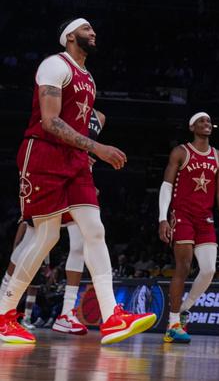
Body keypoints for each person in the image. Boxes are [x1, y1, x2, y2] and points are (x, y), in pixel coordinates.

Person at [0, 18, 155, 344]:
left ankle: (112, 316)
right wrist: (96, 146)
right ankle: (4, 314)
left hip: (75, 161)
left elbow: (81, 124)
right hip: (43, 155)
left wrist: (87, 152)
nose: (94, 33)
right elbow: (50, 121)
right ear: (69, 36)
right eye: (87, 29)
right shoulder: (55, 65)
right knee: (45, 237)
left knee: (94, 230)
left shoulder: (88, 77)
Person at [0, 109, 107, 336]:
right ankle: (4, 305)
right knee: (31, 239)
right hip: (51, 173)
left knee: (80, 243)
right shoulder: (59, 106)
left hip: (78, 178)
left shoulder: (100, 117)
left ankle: (67, 313)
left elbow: (86, 146)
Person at [158, 112, 219, 343]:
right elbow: (166, 185)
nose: (207, 124)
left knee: (209, 269)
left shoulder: (218, 157)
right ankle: (173, 324)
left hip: (205, 218)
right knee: (183, 267)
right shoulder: (181, 152)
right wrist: (162, 218)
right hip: (182, 215)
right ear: (192, 127)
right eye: (202, 121)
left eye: (209, 121)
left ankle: (183, 309)